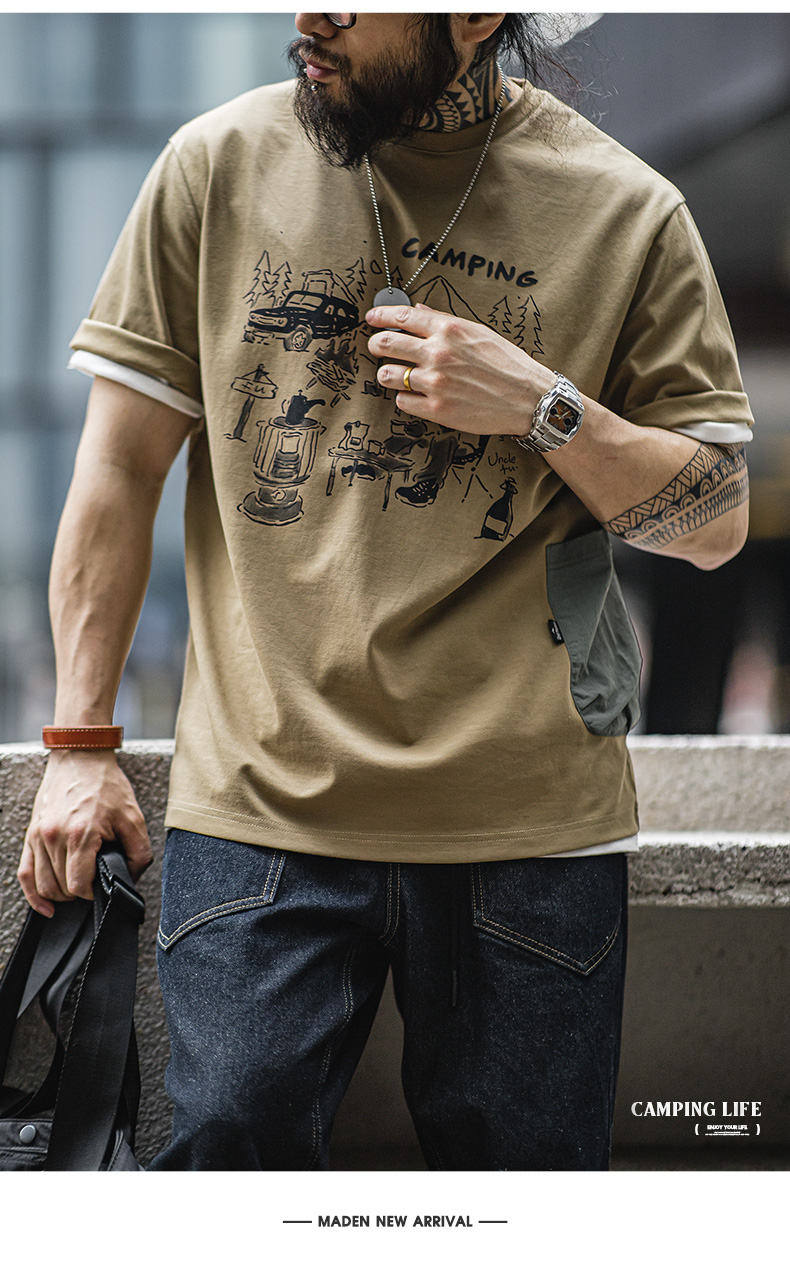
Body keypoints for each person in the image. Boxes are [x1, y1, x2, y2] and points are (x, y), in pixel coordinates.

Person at [18, 13, 753, 1171]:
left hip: (530, 831)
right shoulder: (213, 167)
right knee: (231, 1196)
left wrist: (541, 406)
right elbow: (116, 470)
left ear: (474, 16)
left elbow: (714, 524)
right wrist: (77, 745)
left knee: (528, 1217)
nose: (310, 16)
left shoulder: (627, 211)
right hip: (262, 815)